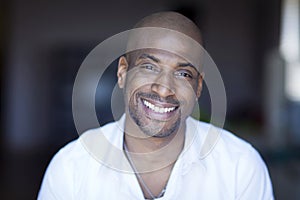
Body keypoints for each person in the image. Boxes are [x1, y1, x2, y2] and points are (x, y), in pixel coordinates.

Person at [38, 11, 274, 199]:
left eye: (183, 73)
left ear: (198, 87)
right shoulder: (71, 168)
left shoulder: (240, 168)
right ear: (122, 72)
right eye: (149, 67)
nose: (163, 88)